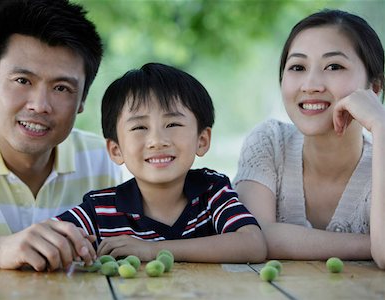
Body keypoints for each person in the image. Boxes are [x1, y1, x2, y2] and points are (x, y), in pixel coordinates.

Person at [0, 0, 122, 271]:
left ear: (82, 100)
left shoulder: (102, 161)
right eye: (23, 81)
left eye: (61, 88)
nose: (39, 105)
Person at [54, 62, 267, 263]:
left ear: (202, 140)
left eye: (173, 123)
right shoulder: (100, 210)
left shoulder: (211, 191)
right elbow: (49, 237)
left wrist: (153, 249)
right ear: (116, 149)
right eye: (139, 128)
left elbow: (253, 244)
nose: (157, 141)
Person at [233, 9, 385, 269]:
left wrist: (381, 126)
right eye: (297, 67)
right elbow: (252, 236)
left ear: (374, 88)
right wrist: (367, 244)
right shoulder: (269, 143)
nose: (311, 84)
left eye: (334, 66)